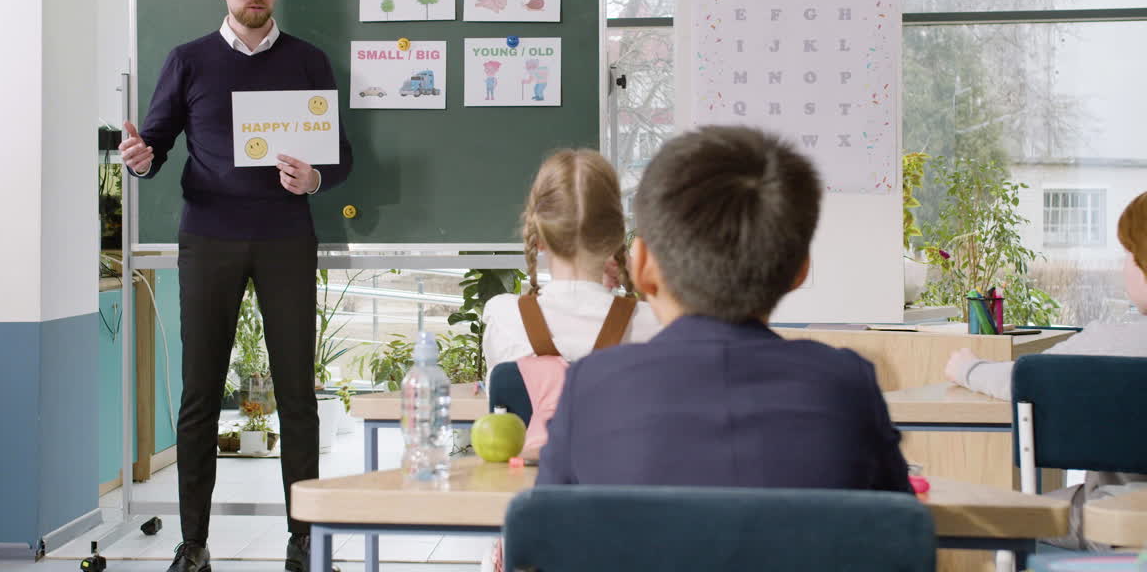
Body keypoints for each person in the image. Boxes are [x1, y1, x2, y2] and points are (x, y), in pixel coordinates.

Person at [120, 0, 352, 572]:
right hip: (209, 236)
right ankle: (193, 544)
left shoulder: (308, 61)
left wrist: (316, 180)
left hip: (285, 236)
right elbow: (156, 144)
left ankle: (304, 541)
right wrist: (140, 161)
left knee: (297, 393)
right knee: (199, 393)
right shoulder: (188, 60)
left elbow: (341, 155)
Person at [536, 125, 911, 493]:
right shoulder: (847, 388)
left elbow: (547, 539)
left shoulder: (591, 388)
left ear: (643, 267)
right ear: (800, 271)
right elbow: (897, 538)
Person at [944, 190, 1147, 550]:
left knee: (1008, 515)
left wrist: (968, 368)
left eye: (1128, 253)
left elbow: (1027, 378)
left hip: (1114, 520)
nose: (1123, 265)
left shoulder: (1109, 342)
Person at [481, 149, 660, 378]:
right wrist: (639, 278)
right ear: (614, 240)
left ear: (539, 240)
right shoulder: (653, 323)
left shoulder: (504, 317)